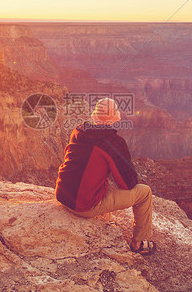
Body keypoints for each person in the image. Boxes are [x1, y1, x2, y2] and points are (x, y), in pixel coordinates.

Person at [55, 97, 156, 255]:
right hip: (83, 206)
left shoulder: (78, 130)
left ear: (95, 115)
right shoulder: (113, 142)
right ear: (115, 117)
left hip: (62, 195)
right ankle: (139, 244)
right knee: (144, 192)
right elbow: (127, 184)